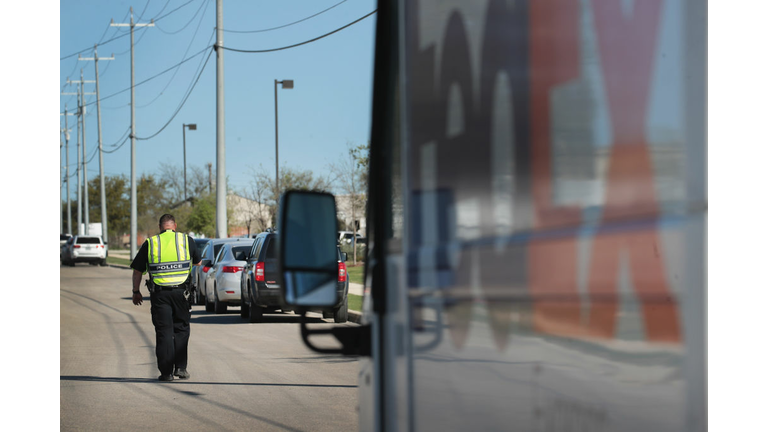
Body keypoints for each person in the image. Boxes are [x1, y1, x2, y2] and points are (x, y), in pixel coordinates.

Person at [131, 214, 202, 382]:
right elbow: (198, 263)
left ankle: (166, 373)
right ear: (174, 226)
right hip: (182, 294)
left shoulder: (151, 243)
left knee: (164, 332)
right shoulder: (187, 240)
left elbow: (137, 271)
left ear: (160, 227)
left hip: (160, 294)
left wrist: (136, 291)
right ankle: (181, 368)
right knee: (182, 329)